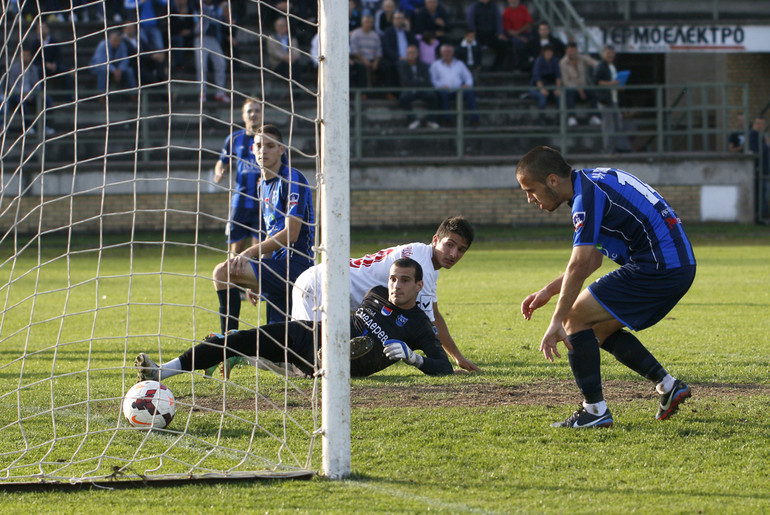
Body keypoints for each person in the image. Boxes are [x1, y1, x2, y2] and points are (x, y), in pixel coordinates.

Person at [516, 145, 696, 428]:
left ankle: (595, 411)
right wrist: (548, 291)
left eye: (530, 190)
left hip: (658, 267)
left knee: (576, 319)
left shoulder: (585, 198)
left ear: (552, 180)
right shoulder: (591, 184)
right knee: (595, 330)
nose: (529, 199)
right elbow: (592, 262)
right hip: (674, 265)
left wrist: (557, 320)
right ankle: (667, 385)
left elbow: (579, 265)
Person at [136, 258, 455, 381]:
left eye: (403, 281)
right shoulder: (374, 291)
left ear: (419, 285)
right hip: (314, 334)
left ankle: (331, 360)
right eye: (393, 279)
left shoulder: (418, 325)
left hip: (340, 367)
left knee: (279, 360)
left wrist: (414, 358)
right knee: (238, 339)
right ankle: (162, 371)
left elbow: (444, 367)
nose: (395, 286)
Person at [292, 215, 480, 372]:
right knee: (311, 362)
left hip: (320, 278)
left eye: (461, 250)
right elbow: (430, 323)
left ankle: (271, 357)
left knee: (311, 357)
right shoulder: (422, 265)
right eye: (450, 245)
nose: (454, 254)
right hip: (321, 286)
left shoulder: (423, 255)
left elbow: (434, 313)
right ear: (435, 240)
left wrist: (456, 357)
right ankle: (267, 358)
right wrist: (449, 359)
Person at [212, 124, 315, 331]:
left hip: (296, 266)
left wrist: (249, 253)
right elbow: (271, 231)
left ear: (281, 150)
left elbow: (291, 234)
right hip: (276, 267)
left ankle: (228, 344)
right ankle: (232, 347)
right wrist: (257, 276)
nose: (263, 150)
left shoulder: (292, 178)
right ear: (252, 150)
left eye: (270, 146)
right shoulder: (262, 185)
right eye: (259, 145)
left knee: (222, 272)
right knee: (278, 343)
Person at [214, 98, 264, 255]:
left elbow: (283, 167)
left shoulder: (269, 139)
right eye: (249, 111)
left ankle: (258, 279)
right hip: (240, 201)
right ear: (243, 115)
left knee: (259, 251)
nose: (253, 114)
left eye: (257, 110)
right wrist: (219, 172)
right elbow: (222, 162)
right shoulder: (235, 138)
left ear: (262, 114)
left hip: (263, 202)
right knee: (235, 251)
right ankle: (231, 280)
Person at [7, 46, 54, 136]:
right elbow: (12, 86)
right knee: (20, 103)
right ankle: (28, 126)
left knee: (47, 101)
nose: (25, 58)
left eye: (27, 55)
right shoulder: (13, 69)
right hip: (18, 94)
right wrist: (23, 95)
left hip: (32, 94)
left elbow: (37, 85)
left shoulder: (34, 68)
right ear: (20, 56)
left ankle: (45, 126)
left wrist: (31, 95)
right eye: (23, 55)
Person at [429, 44, 480, 126]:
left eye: (449, 52)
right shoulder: (435, 65)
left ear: (452, 53)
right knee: (443, 94)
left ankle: (474, 119)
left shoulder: (460, 64)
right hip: (443, 90)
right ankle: (447, 119)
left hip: (459, 90)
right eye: (445, 52)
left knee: (470, 92)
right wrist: (440, 86)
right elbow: (433, 79)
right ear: (441, 53)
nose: (447, 53)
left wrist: (467, 84)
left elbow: (468, 76)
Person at [397, 44, 440, 130]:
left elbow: (427, 81)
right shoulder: (403, 66)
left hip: (423, 90)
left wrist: (415, 82)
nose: (411, 54)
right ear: (406, 54)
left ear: (417, 54)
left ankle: (430, 120)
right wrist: (420, 81)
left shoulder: (424, 65)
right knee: (403, 98)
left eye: (413, 52)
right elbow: (405, 82)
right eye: (409, 53)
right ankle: (413, 120)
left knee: (433, 96)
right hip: (410, 90)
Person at [195, 0, 229, 103]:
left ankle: (220, 93)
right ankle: (202, 93)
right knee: (202, 66)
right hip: (200, 38)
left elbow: (224, 22)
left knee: (221, 64)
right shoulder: (197, 5)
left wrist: (225, 11)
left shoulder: (216, 7)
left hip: (214, 39)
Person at [559, 42, 601, 127]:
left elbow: (593, 62)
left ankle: (594, 116)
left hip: (583, 86)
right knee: (569, 93)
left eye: (574, 50)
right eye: (570, 50)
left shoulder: (582, 58)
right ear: (567, 51)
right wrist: (578, 89)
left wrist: (599, 66)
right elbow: (565, 81)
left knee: (594, 92)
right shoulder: (563, 63)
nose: (573, 53)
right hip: (571, 88)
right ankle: (571, 118)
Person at [594, 45, 623, 154]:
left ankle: (615, 148)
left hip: (614, 99)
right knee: (608, 127)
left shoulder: (613, 66)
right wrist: (611, 84)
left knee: (618, 125)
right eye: (608, 53)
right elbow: (597, 81)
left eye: (612, 53)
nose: (610, 55)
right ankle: (608, 150)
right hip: (605, 100)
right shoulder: (601, 66)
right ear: (603, 54)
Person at [89, 30, 138, 94]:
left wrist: (120, 69)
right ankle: (101, 94)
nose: (117, 43)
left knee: (129, 70)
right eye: (115, 40)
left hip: (116, 68)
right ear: (110, 39)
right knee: (103, 71)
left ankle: (133, 94)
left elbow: (125, 59)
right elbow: (102, 62)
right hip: (99, 66)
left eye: (119, 41)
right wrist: (114, 70)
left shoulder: (122, 45)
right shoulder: (103, 45)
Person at [466, 0, 508, 71]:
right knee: (473, 46)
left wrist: (500, 33)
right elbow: (470, 21)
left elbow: (498, 20)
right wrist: (472, 33)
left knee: (504, 45)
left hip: (491, 35)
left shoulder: (494, 6)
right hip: (478, 35)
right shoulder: (474, 6)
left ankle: (496, 68)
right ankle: (477, 67)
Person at [528, 45, 561, 123]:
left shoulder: (555, 61)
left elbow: (558, 76)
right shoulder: (539, 61)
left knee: (560, 97)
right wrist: (542, 89)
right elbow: (537, 76)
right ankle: (542, 118)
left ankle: (560, 119)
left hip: (550, 86)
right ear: (543, 52)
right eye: (547, 51)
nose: (548, 53)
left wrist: (558, 88)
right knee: (542, 96)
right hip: (536, 87)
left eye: (550, 51)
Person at [266, 17, 304, 83]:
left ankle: (296, 86)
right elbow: (273, 51)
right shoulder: (272, 38)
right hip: (278, 63)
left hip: (291, 61)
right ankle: (289, 86)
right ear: (276, 27)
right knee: (287, 66)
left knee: (295, 66)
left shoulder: (292, 39)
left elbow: (296, 51)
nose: (282, 28)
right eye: (280, 26)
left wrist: (292, 57)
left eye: (284, 26)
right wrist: (285, 57)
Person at [349, 14, 383, 88]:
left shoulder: (375, 35)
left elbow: (378, 50)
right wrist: (364, 60)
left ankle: (384, 92)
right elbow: (354, 51)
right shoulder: (356, 34)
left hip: (373, 59)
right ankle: (362, 91)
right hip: (359, 59)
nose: (368, 24)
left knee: (385, 66)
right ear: (362, 23)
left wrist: (376, 61)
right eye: (366, 22)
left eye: (370, 22)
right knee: (362, 67)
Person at [748, 115, 770, 218]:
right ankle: (761, 215)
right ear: (754, 124)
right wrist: (767, 144)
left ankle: (762, 214)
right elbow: (757, 151)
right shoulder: (753, 135)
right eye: (758, 123)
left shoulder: (760, 135)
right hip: (758, 168)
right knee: (761, 193)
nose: (760, 126)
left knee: (764, 193)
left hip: (764, 168)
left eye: (762, 124)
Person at [501, 0, 533, 71]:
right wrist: (519, 37)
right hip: (514, 36)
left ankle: (531, 63)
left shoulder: (523, 8)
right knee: (517, 43)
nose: (514, 2)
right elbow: (508, 30)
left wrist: (519, 32)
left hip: (525, 33)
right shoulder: (506, 12)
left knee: (533, 42)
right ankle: (518, 66)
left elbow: (529, 23)